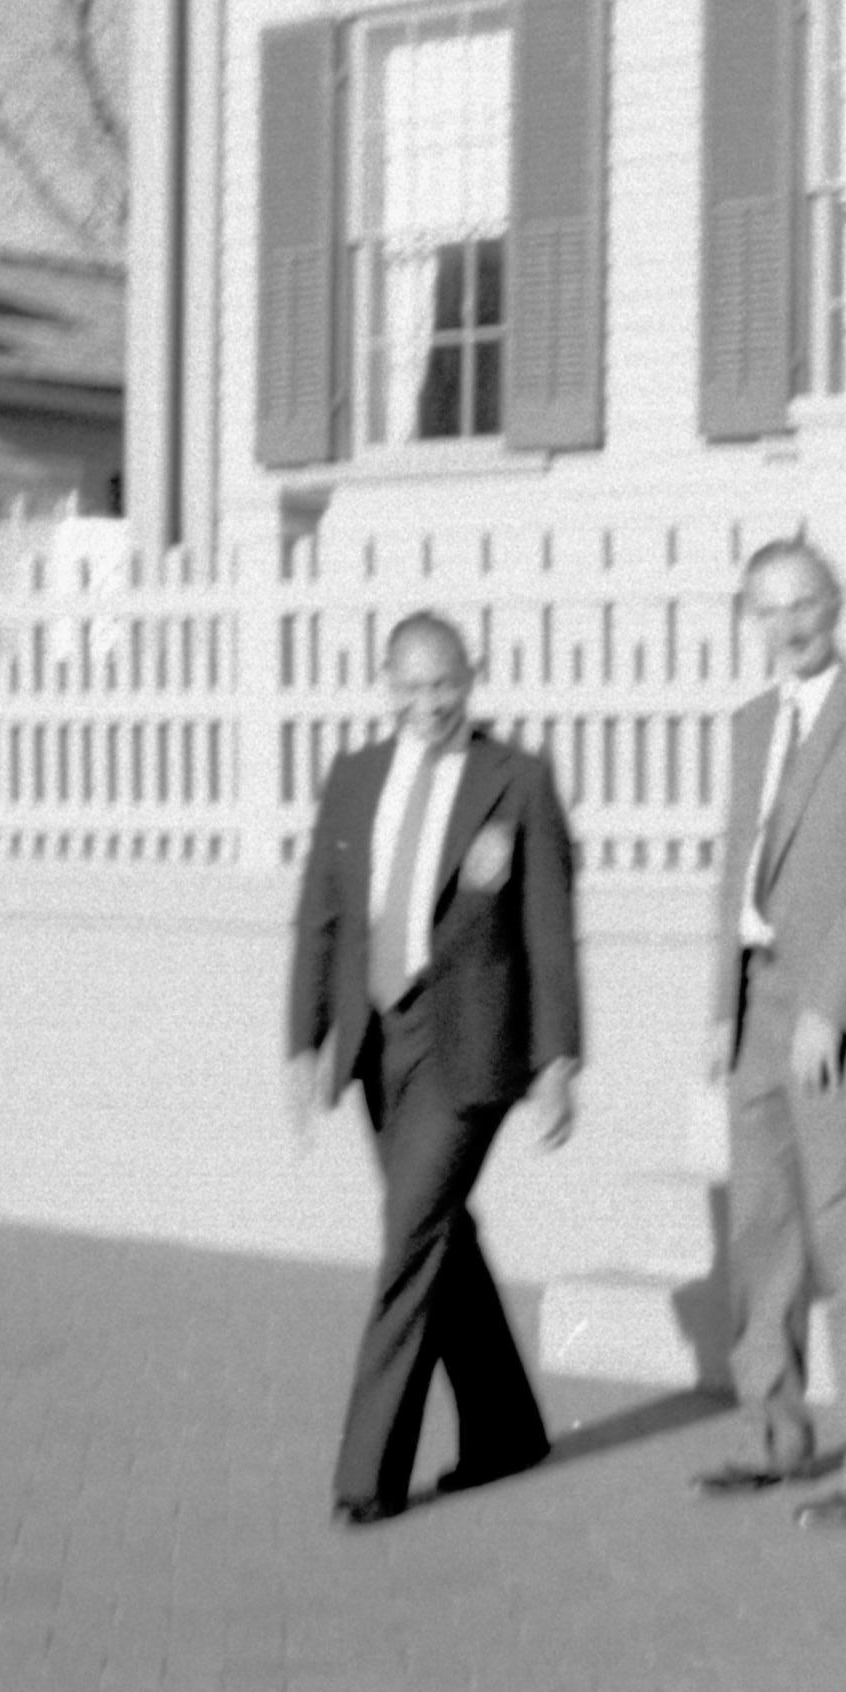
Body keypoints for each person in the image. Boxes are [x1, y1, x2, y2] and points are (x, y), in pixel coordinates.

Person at [286, 613, 579, 1527]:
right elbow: (321, 918)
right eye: (410, 688)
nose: (429, 704)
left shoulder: (516, 782)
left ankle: (366, 1474)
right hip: (378, 1039)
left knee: (410, 1236)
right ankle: (505, 1430)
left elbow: (549, 930)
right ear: (386, 685)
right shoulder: (355, 778)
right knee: (439, 1230)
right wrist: (304, 1044)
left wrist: (561, 1060)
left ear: (473, 675)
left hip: (472, 1047)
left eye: (444, 684)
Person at [694, 539, 846, 1524]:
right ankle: (774, 1433)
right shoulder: (754, 722)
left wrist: (831, 1009)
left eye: (805, 603)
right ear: (749, 617)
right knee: (761, 1235)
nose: (789, 623)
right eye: (769, 608)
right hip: (754, 1001)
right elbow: (737, 868)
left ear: (837, 602)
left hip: (830, 1007)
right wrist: (720, 1007)